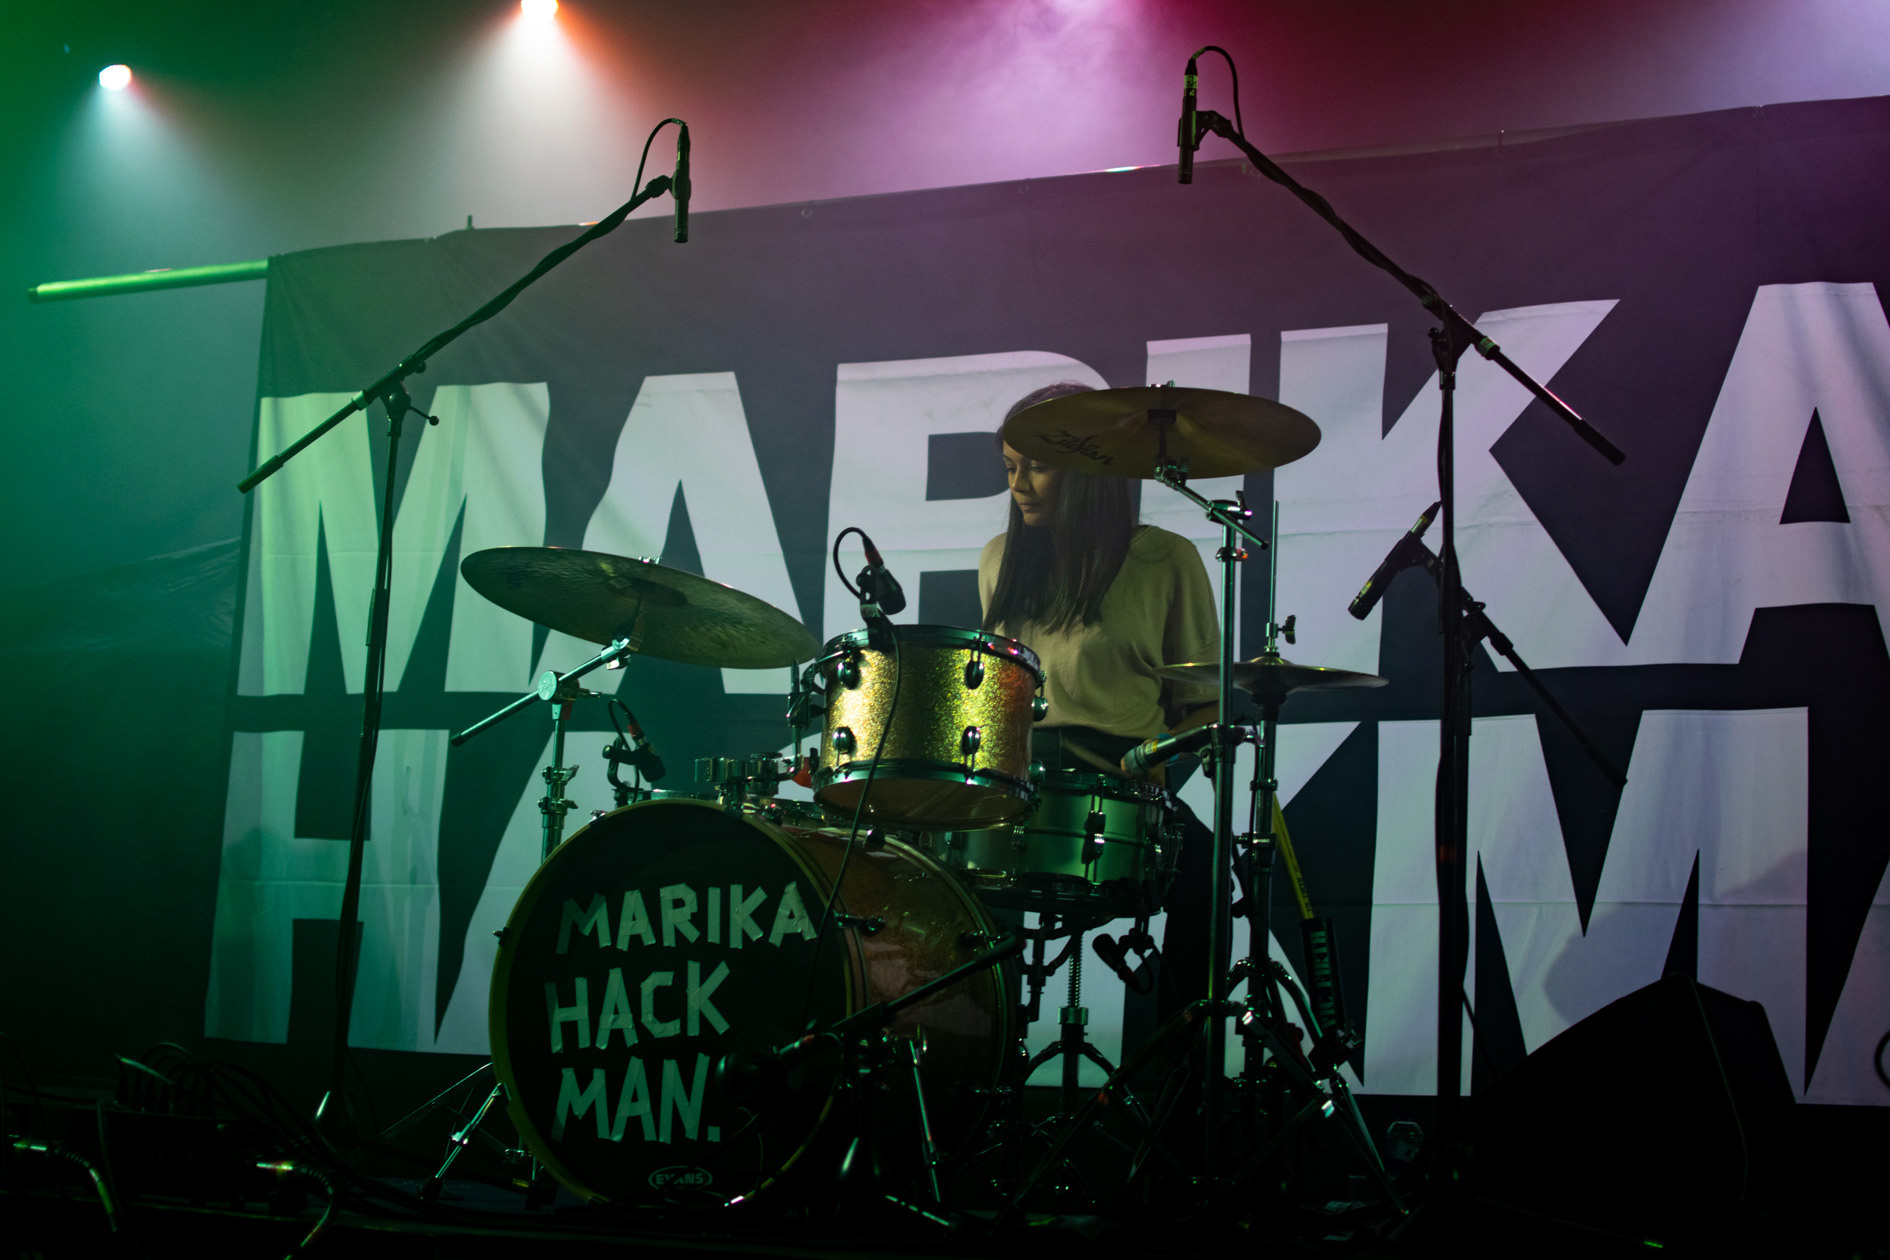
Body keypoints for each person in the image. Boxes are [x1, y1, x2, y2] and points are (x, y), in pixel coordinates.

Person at [977, 380, 1224, 1025]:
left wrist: (1156, 759)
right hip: (1022, 780)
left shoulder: (1166, 558)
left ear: (1088, 469)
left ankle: (1175, 1068)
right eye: (1009, 468)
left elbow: (1207, 707)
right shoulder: (999, 559)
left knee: (1207, 878)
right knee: (950, 873)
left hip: (1123, 779)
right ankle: (981, 1055)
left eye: (1036, 466)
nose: (1018, 485)